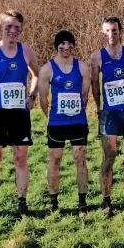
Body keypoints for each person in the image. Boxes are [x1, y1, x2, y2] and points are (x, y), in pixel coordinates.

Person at [0, 9, 40, 225]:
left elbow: (38, 75)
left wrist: (32, 96)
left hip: (19, 115)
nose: (13, 31)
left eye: (17, 27)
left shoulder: (27, 52)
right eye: (9, 26)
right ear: (1, 26)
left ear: (21, 30)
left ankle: (22, 204)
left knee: (20, 159)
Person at [90, 17, 124, 216]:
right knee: (109, 157)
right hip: (110, 114)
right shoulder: (97, 57)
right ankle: (106, 200)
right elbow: (95, 85)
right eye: (107, 31)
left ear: (121, 31)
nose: (111, 35)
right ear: (102, 33)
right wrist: (98, 107)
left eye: (114, 30)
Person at [38, 31, 91, 217]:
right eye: (62, 44)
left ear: (74, 46)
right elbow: (42, 99)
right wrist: (50, 117)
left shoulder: (83, 68)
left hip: (77, 121)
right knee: (54, 160)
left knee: (80, 160)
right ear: (56, 46)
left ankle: (82, 203)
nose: (66, 47)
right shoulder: (47, 69)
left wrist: (76, 111)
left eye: (70, 44)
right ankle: (53, 202)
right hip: (57, 123)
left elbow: (85, 96)